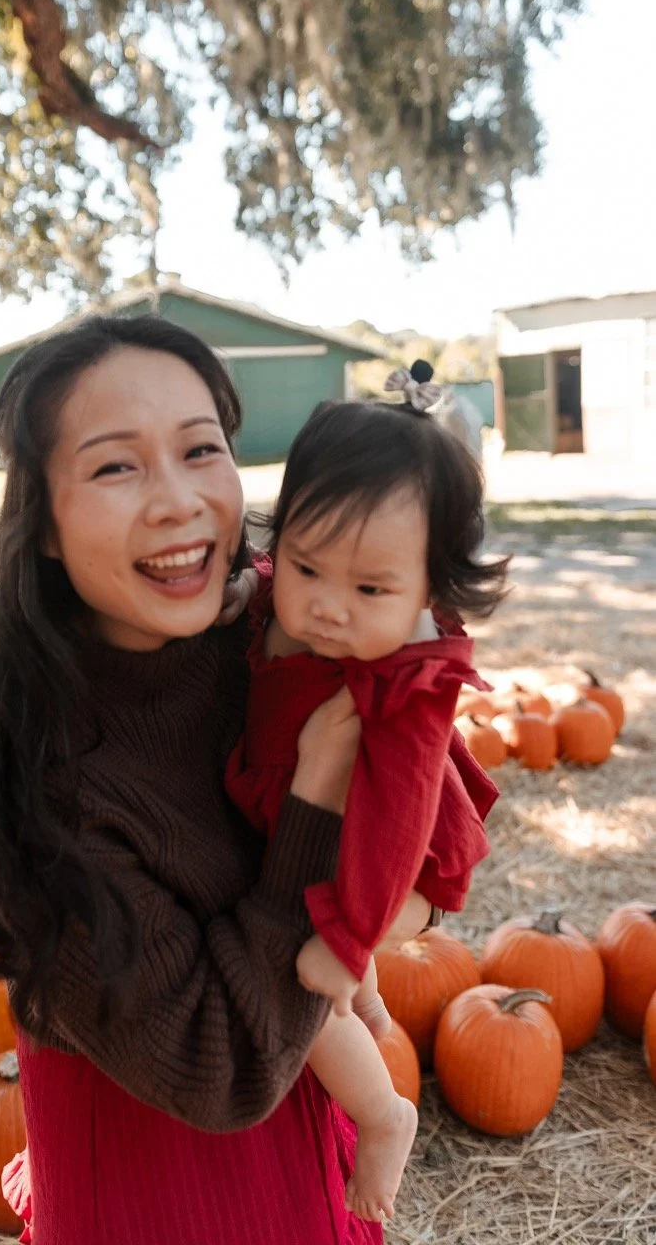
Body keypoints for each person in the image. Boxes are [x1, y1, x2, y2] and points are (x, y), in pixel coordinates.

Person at [0, 315, 435, 1245]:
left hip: (299, 1147)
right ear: (46, 523)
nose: (178, 499)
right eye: (115, 466)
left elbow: (427, 830)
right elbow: (215, 1067)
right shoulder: (40, 785)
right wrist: (319, 791)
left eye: (201, 449)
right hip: (156, 1189)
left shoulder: (271, 632)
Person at [226, 371, 509, 1221]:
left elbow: (396, 822)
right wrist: (252, 591)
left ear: (430, 589)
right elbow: (284, 583)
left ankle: (383, 1115)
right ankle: (368, 998)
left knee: (293, 981)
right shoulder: (296, 590)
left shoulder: (406, 683)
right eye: (307, 565)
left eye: (371, 590)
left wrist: (348, 940)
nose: (328, 608)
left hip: (379, 852)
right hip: (297, 814)